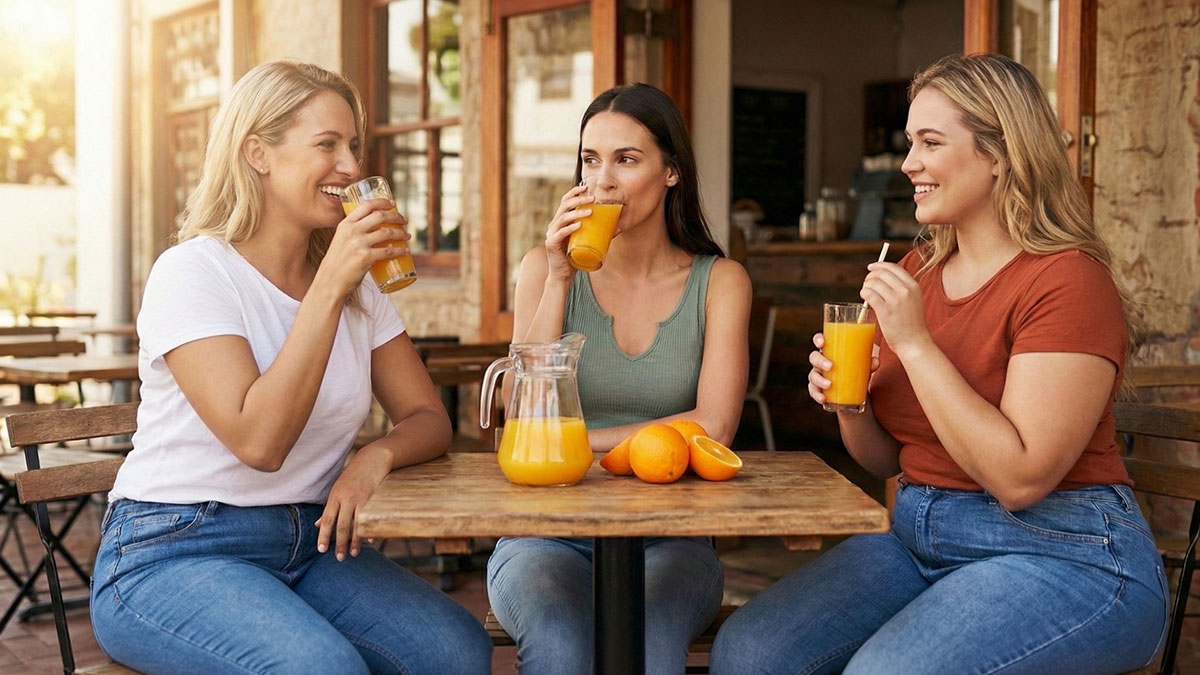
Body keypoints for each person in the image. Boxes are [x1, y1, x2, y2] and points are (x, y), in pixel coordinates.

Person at [710, 53, 1168, 675]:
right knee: (751, 652)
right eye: (908, 142)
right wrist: (852, 407)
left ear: (1001, 152)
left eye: (930, 142)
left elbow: (1021, 478)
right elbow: (889, 459)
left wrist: (918, 345)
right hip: (917, 536)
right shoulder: (915, 272)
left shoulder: (1067, 281)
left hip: (1067, 554)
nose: (908, 165)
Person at [89, 60, 492, 674]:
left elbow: (426, 416)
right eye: (326, 144)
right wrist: (331, 283)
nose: (352, 167)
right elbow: (260, 441)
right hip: (171, 550)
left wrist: (373, 457)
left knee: (456, 652)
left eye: (353, 145)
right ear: (259, 154)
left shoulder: (361, 286)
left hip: (313, 541)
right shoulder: (194, 272)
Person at [486, 83, 752, 674]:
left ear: (672, 172)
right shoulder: (541, 269)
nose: (600, 181)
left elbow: (714, 425)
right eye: (589, 159)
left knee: (648, 641)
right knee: (560, 642)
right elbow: (520, 413)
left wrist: (577, 446)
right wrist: (558, 277)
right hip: (542, 532)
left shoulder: (720, 281)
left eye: (626, 160)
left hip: (672, 535)